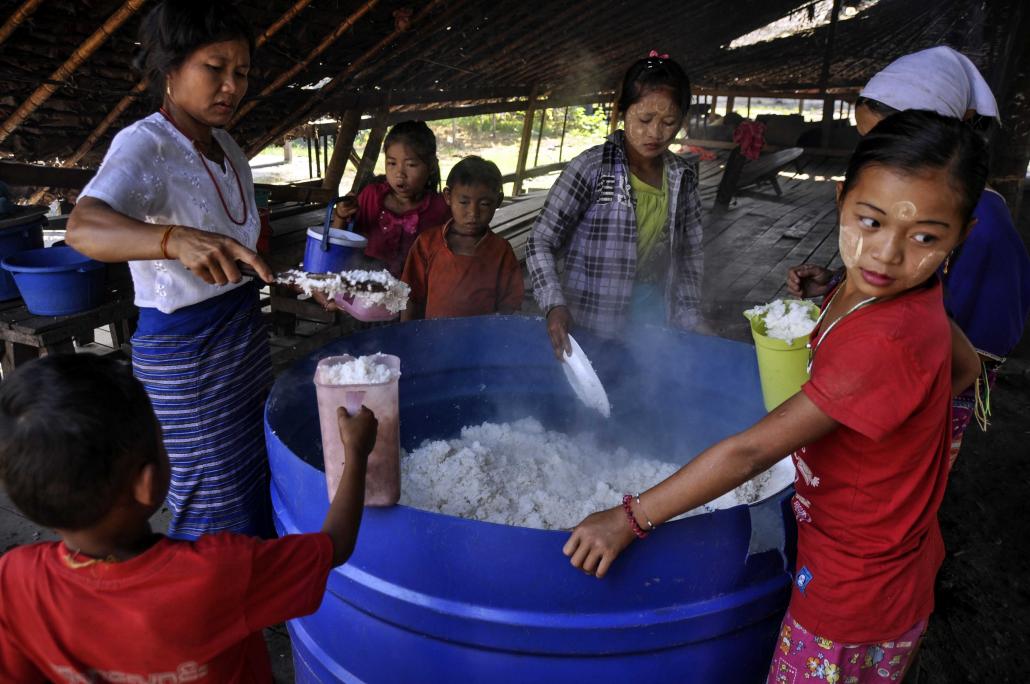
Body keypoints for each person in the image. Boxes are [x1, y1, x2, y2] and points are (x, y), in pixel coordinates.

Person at [564, 111, 986, 683]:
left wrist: (630, 517)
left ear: (964, 233)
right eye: (871, 221)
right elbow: (964, 369)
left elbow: (751, 454)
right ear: (841, 200)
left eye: (925, 237)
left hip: (853, 595)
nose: (886, 255)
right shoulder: (903, 291)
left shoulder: (886, 339)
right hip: (892, 560)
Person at [0, 354, 378, 681]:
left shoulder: (14, 578)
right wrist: (356, 453)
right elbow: (334, 545)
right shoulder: (221, 573)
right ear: (147, 483)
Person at [66, 1, 278, 539]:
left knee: (251, 475)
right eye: (215, 68)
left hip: (241, 336)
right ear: (170, 69)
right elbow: (82, 228)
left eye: (242, 72)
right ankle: (208, 613)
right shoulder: (147, 146)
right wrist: (170, 239)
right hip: (188, 355)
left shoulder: (228, 146)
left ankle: (249, 599)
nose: (231, 85)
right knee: (212, 496)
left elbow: (237, 245)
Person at [787, 46, 1030, 462]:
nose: (870, 155)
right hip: (868, 394)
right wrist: (835, 282)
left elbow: (976, 354)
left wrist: (904, 402)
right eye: (865, 141)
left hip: (916, 410)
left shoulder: (987, 229)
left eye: (884, 137)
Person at [526, 53, 705, 359]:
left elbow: (690, 254)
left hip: (652, 311)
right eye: (645, 120)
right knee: (599, 381)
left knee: (644, 385)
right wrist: (554, 304)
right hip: (591, 314)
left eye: (669, 122)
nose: (655, 133)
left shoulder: (681, 177)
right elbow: (540, 240)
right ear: (622, 111)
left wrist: (689, 317)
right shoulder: (592, 168)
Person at [400, 156, 524, 321]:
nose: (473, 213)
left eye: (484, 204)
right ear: (448, 197)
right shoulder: (427, 243)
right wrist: (408, 337)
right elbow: (410, 297)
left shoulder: (501, 251)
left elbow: (510, 307)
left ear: (498, 201)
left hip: (481, 341)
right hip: (434, 339)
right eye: (464, 202)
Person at [330, 120, 451, 276]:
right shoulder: (371, 197)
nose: (399, 173)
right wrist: (341, 215)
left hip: (416, 295)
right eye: (392, 163)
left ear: (432, 166)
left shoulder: (441, 207)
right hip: (365, 289)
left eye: (411, 165)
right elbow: (336, 242)